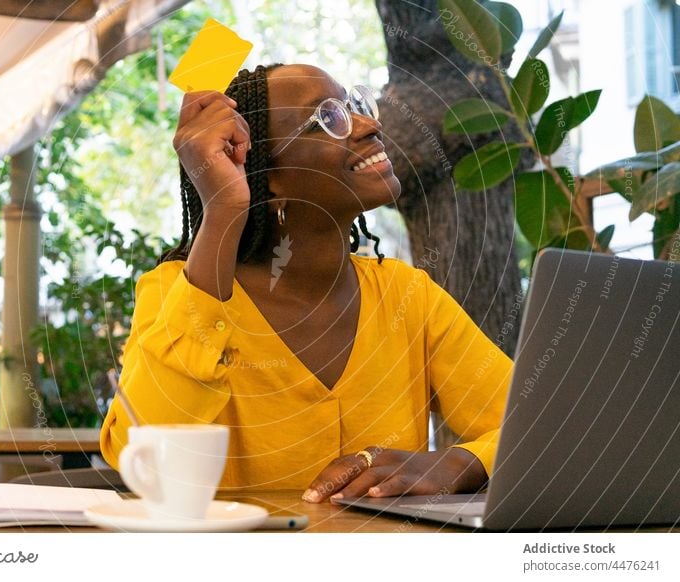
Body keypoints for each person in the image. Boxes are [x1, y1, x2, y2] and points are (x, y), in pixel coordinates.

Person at [100, 64, 512, 503]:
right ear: (268, 176)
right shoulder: (180, 292)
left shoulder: (408, 296)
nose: (370, 124)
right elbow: (141, 456)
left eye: (355, 106)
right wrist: (222, 208)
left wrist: (458, 463)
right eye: (327, 120)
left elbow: (537, 425)